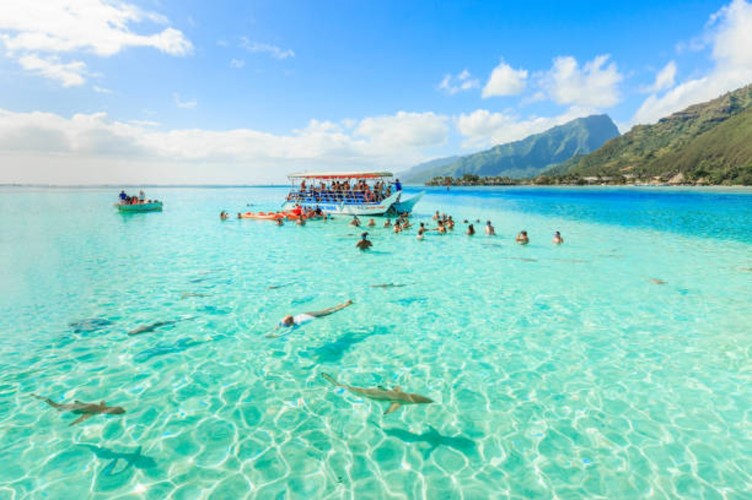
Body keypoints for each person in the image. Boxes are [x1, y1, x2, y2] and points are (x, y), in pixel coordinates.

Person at [274, 299, 354, 332]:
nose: (283, 321)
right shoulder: (284, 320)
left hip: (312, 316)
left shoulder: (296, 325)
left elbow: (288, 332)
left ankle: (347, 304)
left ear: (289, 322)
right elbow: (279, 323)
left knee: (330, 312)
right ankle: (341, 304)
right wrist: (276, 328)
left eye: (285, 320)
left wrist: (276, 336)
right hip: (307, 313)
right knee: (323, 311)